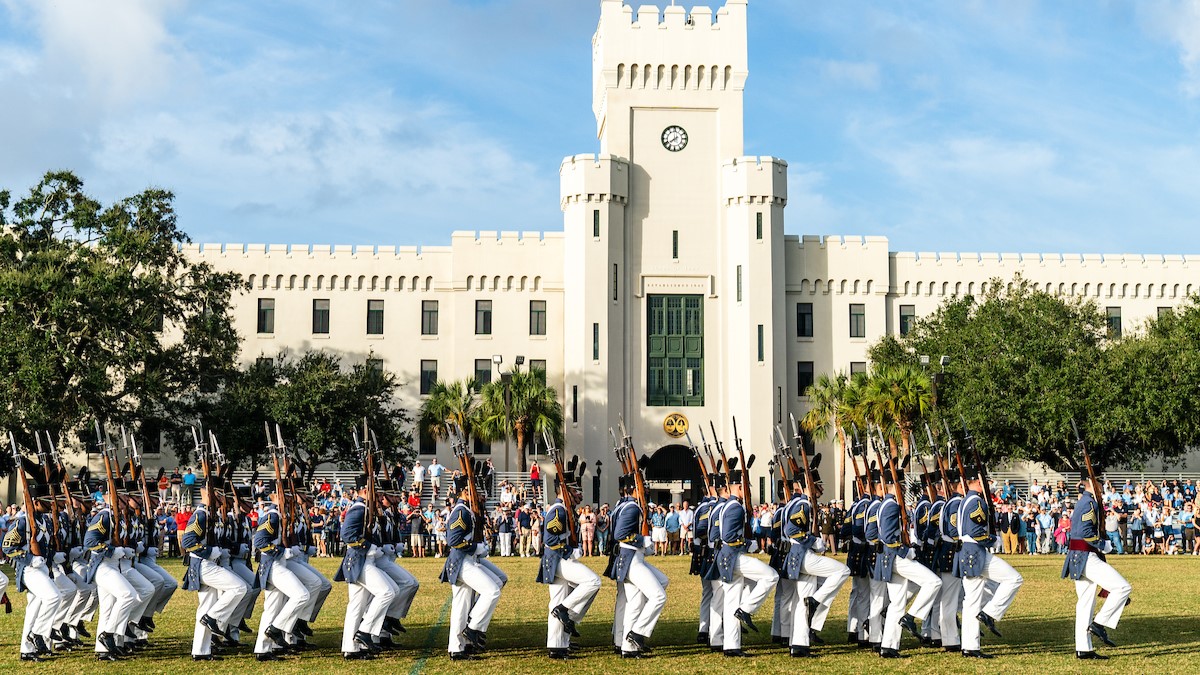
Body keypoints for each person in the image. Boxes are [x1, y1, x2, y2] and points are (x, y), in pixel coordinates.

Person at [957, 466, 1024, 659]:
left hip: (967, 552)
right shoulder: (976, 501)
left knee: (971, 601)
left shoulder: (965, 500)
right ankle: (990, 612)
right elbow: (975, 530)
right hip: (976, 552)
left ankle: (970, 646)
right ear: (977, 482)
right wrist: (991, 539)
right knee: (1014, 579)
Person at [780, 474, 850, 658]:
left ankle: (799, 644)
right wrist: (814, 541)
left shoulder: (795, 503)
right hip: (803, 554)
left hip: (797, 555)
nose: (821, 490)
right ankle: (817, 600)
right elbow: (791, 531)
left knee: (803, 600)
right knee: (843, 571)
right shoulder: (803, 504)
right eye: (818, 486)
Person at [713, 466, 778, 657]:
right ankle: (747, 609)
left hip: (727, 557)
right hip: (733, 557)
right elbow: (728, 535)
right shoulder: (735, 507)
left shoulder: (727, 505)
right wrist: (747, 543)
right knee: (770, 575)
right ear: (739, 487)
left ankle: (731, 646)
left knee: (731, 600)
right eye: (745, 486)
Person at [875, 470, 940, 659]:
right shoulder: (891, 506)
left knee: (897, 603)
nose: (904, 489)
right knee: (933, 582)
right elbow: (887, 537)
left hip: (889, 558)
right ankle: (911, 617)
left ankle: (888, 646)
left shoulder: (885, 504)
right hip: (896, 557)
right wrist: (906, 551)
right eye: (901, 486)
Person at [1063, 481, 1132, 659]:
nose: (1102, 485)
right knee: (1122, 587)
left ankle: (1084, 648)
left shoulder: (1085, 501)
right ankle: (1099, 624)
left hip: (1079, 556)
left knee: (1086, 604)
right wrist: (1103, 545)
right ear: (1093, 484)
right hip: (1086, 555)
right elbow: (1086, 532)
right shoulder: (1089, 503)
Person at [181, 485, 251, 661]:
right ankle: (214, 618)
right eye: (222, 495)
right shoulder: (201, 514)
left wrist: (232, 548)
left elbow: (222, 539)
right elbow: (188, 541)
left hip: (210, 563)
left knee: (205, 608)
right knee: (239, 587)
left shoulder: (214, 515)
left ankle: (201, 651)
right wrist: (208, 551)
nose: (226, 499)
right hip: (203, 564)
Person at [538, 470, 602, 660]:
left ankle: (557, 646)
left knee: (558, 598)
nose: (579, 495)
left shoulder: (566, 509)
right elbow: (550, 539)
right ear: (565, 491)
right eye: (576, 491)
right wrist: (568, 551)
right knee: (593, 582)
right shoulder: (558, 510)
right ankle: (566, 611)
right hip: (558, 559)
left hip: (558, 559)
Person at [440, 475, 503, 661]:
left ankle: (457, 648)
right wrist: (476, 547)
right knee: (492, 591)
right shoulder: (461, 511)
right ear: (466, 492)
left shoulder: (466, 509)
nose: (480, 495)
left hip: (466, 560)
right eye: (476, 491)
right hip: (462, 561)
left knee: (461, 606)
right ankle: (473, 627)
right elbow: (453, 541)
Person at [607, 472, 668, 659]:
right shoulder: (632, 507)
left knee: (642, 597)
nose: (646, 489)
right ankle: (637, 633)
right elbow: (619, 534)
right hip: (631, 558)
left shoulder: (627, 505)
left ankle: (628, 647)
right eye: (643, 486)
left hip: (632, 558)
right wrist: (643, 540)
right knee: (658, 596)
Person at [335, 485, 399, 660]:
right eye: (376, 493)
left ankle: (350, 647)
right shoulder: (358, 509)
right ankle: (365, 631)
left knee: (357, 607)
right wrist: (369, 547)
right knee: (387, 592)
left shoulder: (367, 509)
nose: (379, 496)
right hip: (359, 561)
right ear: (364, 491)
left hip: (365, 560)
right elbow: (347, 534)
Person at [251, 499, 313, 662]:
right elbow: (259, 542)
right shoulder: (273, 516)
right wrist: (280, 551)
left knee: (272, 609)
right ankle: (276, 629)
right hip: (272, 564)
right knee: (302, 595)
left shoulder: (283, 516)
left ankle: (262, 649)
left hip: (278, 564)